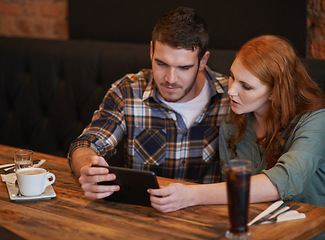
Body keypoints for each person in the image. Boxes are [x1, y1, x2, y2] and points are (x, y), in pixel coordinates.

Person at [148, 35, 325, 213]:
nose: (231, 91)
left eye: (246, 87)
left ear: (275, 92)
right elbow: (231, 192)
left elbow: (284, 180)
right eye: (232, 77)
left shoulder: (317, 121)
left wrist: (192, 195)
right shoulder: (233, 120)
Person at [68, 7, 229, 200]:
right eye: (162, 64)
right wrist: (87, 168)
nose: (170, 79)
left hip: (205, 217)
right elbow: (87, 143)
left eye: (184, 68)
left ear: (203, 61)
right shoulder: (127, 90)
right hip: (141, 214)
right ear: (151, 51)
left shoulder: (230, 96)